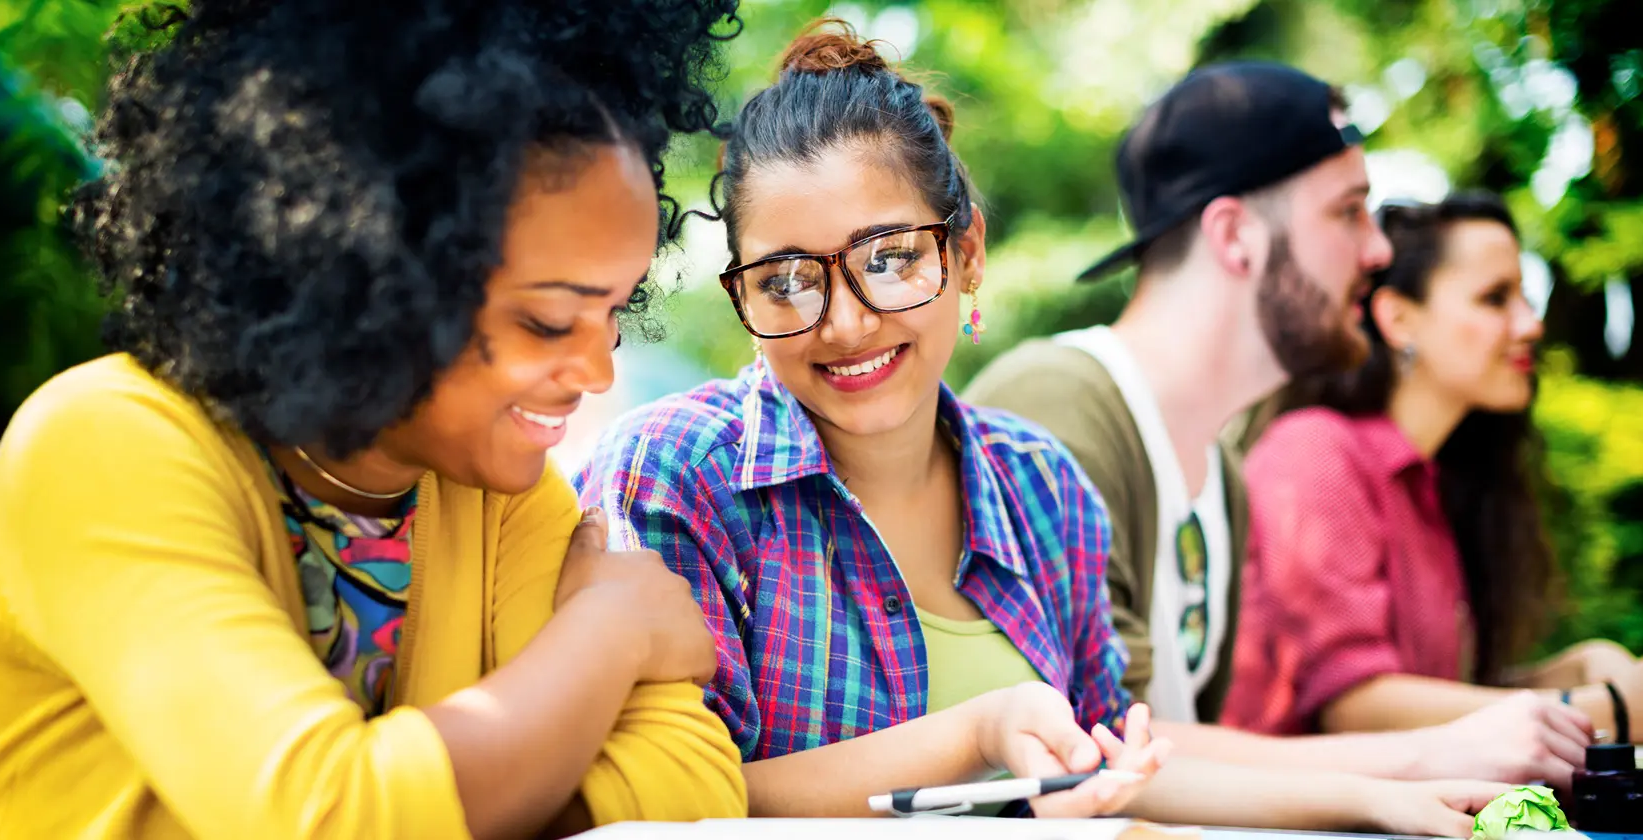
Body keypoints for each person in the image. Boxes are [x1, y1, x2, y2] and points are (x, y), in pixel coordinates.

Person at [577, 24, 1504, 835]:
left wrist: (1375, 799)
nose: (846, 321)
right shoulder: (677, 472)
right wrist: (973, 736)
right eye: (785, 279)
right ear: (740, 292)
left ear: (967, 249)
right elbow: (671, 809)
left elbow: (1121, 760)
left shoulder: (1042, 484)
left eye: (890, 259)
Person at [0, 1, 746, 838]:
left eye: (612, 310)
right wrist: (611, 632)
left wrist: (462, 795)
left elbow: (695, 779)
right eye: (545, 322)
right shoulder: (101, 444)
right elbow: (329, 818)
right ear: (371, 273)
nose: (599, 372)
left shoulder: (505, 497)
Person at [962, 62, 1596, 792]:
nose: (1379, 250)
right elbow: (1087, 746)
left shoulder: (1222, 477)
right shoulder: (1058, 404)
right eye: (1348, 211)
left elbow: (1177, 751)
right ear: (1235, 236)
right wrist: (1428, 759)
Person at [1226, 192, 1643, 748]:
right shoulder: (1314, 454)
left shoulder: (1434, 481)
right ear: (1398, 318)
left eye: (1526, 297)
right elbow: (1354, 705)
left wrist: (1579, 669)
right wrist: (1603, 710)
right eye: (1495, 298)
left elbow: (1441, 698)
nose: (1530, 325)